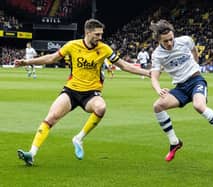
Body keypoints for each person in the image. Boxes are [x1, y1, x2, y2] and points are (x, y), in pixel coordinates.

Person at [14, 18, 150, 166]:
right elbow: (52, 58)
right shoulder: (72, 46)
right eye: (97, 34)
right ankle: (31, 154)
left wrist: (147, 73)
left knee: (101, 107)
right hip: (71, 91)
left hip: (91, 93)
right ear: (87, 32)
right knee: (51, 117)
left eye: (101, 34)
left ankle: (78, 138)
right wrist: (27, 62)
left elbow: (124, 65)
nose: (100, 37)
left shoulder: (104, 49)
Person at [149, 19, 213, 162]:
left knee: (199, 106)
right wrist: (159, 89)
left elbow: (193, 49)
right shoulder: (157, 55)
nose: (170, 43)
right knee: (157, 106)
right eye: (165, 41)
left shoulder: (185, 40)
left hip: (196, 80)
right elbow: (154, 77)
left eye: (171, 39)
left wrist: (196, 63)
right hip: (181, 88)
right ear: (158, 40)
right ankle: (174, 142)